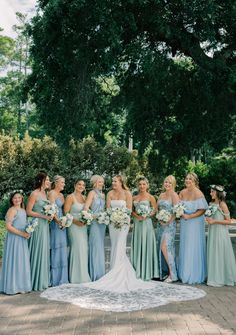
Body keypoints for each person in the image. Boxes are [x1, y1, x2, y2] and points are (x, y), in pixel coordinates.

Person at [41, 175, 206, 312]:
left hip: (124, 224)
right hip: (112, 223)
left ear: (121, 182)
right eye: (111, 181)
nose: (112, 184)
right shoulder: (109, 195)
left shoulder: (128, 194)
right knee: (114, 247)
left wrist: (126, 217)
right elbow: (107, 209)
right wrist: (112, 217)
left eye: (115, 181)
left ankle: (124, 272)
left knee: (121, 246)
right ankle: (114, 270)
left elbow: (128, 209)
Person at [178, 172, 208, 284]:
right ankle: (184, 273)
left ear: (195, 181)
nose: (187, 181)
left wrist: (190, 216)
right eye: (186, 178)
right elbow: (178, 206)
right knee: (185, 245)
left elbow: (202, 209)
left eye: (190, 179)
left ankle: (194, 274)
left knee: (193, 245)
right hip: (185, 223)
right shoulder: (182, 192)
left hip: (195, 223)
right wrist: (180, 213)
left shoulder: (198, 193)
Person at [0, 191, 31, 294]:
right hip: (14, 239)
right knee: (14, 261)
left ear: (22, 198)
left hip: (22, 239)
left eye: (19, 197)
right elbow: (8, 227)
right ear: (12, 200)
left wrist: (28, 231)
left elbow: (24, 224)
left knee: (21, 261)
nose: (17, 200)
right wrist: (22, 234)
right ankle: (12, 287)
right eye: (14, 198)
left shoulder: (23, 210)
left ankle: (21, 286)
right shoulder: (12, 210)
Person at [206, 185, 236, 287]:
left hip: (220, 232)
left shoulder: (222, 204)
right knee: (213, 252)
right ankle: (213, 276)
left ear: (217, 193)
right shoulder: (211, 203)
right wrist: (208, 220)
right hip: (212, 231)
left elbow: (228, 221)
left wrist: (215, 221)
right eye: (210, 192)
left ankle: (221, 277)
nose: (210, 193)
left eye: (212, 192)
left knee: (220, 252)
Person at [27, 171, 52, 291]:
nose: (49, 182)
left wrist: (50, 215)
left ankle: (42, 279)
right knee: (37, 250)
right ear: (41, 181)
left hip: (44, 225)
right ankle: (34, 280)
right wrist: (43, 216)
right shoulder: (34, 193)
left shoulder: (45, 193)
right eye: (47, 179)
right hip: (37, 225)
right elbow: (28, 211)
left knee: (43, 250)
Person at [131, 176, 159, 281]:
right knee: (138, 244)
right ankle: (137, 270)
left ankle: (148, 272)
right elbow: (131, 210)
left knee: (147, 244)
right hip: (137, 224)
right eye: (140, 184)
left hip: (147, 223)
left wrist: (148, 215)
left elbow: (155, 210)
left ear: (147, 185)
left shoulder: (151, 197)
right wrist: (137, 216)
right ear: (138, 186)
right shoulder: (134, 198)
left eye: (144, 184)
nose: (142, 186)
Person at [64, 179, 90, 283]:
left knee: (84, 249)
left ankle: (83, 276)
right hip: (74, 226)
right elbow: (66, 213)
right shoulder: (70, 197)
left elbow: (87, 211)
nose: (81, 186)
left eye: (83, 185)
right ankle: (75, 277)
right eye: (79, 184)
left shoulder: (84, 198)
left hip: (83, 227)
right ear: (75, 185)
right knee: (77, 248)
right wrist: (76, 221)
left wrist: (86, 219)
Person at [156, 175, 179, 282]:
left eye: (170, 183)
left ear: (173, 184)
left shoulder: (174, 195)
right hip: (160, 225)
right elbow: (157, 209)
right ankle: (166, 272)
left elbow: (177, 211)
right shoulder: (161, 195)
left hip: (170, 226)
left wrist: (168, 220)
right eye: (166, 182)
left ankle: (173, 274)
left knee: (165, 247)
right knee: (161, 248)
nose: (167, 184)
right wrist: (160, 218)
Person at [84, 175, 106, 281]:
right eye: (99, 182)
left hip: (102, 223)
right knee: (95, 245)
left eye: (102, 182)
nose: (101, 183)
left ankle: (100, 273)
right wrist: (94, 216)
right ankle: (94, 274)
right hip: (94, 223)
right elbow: (86, 208)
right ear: (94, 183)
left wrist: (104, 216)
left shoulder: (103, 195)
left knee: (100, 246)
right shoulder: (91, 193)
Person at [48, 175, 68, 286]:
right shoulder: (51, 193)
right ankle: (55, 278)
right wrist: (58, 221)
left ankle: (63, 277)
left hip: (62, 223)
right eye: (62, 182)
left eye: (64, 182)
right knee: (55, 247)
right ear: (56, 183)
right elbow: (51, 210)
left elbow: (63, 210)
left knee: (62, 247)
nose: (63, 184)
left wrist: (65, 221)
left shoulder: (61, 195)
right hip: (55, 223)